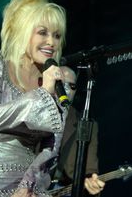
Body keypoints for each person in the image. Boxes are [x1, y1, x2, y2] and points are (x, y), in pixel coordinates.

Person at [0, 0, 104, 197]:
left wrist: (27, 185)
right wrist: (42, 93)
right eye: (43, 33)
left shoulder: (59, 84)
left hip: (29, 181)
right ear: (24, 32)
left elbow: (52, 147)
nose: (51, 42)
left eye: (57, 35)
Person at [49, 67, 104, 196]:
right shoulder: (31, 112)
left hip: (62, 190)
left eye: (72, 86)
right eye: (61, 84)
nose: (66, 90)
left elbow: (89, 168)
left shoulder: (85, 124)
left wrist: (91, 180)